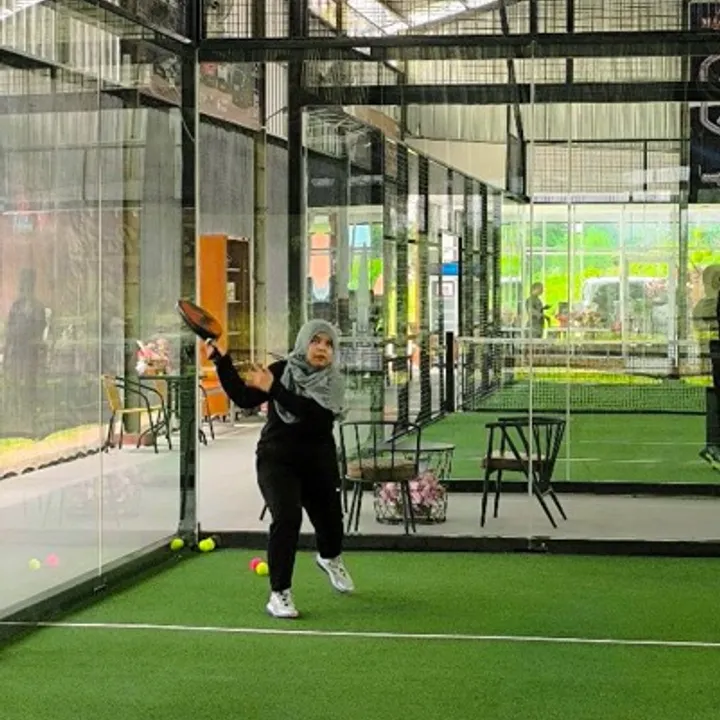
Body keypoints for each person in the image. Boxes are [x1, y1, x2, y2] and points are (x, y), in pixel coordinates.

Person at [207, 319, 354, 619]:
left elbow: (315, 419)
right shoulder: (281, 371)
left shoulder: (333, 383)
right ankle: (279, 594)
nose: (322, 349)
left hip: (318, 462)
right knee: (287, 518)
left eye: (328, 344)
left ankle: (329, 558)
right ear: (303, 343)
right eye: (316, 341)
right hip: (277, 459)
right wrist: (221, 361)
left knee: (331, 523)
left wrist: (274, 389)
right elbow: (245, 398)